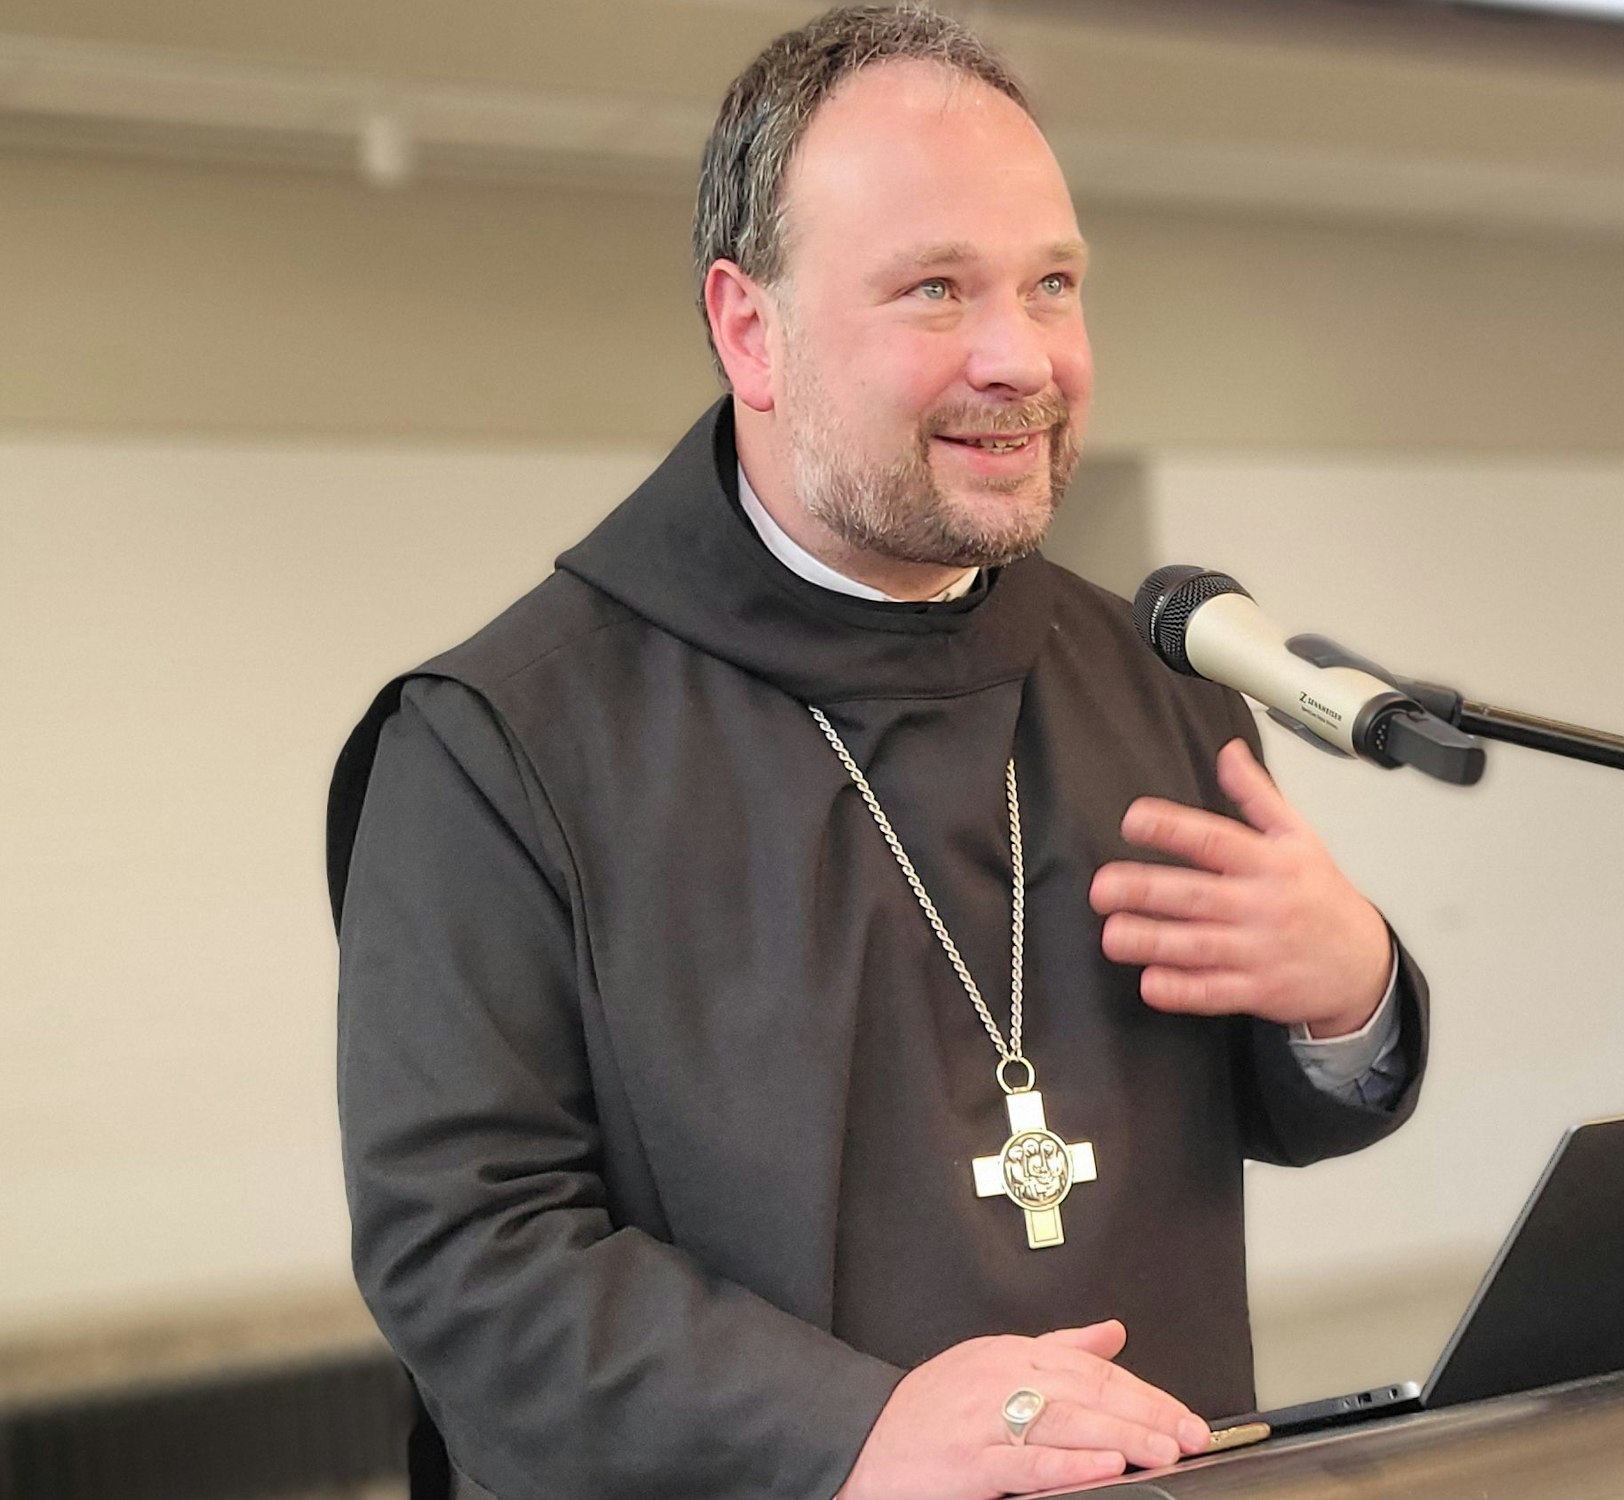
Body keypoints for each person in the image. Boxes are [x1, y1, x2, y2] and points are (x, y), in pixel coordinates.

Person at [329, 7, 1428, 1499]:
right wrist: (842, 1428)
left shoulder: (1156, 683)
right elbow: (467, 1254)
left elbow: (1277, 1106)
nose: (1020, 355)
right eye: (935, 289)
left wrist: (1346, 993)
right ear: (748, 329)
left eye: (1054, 284)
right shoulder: (503, 743)